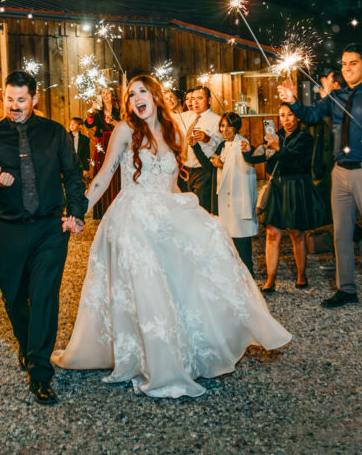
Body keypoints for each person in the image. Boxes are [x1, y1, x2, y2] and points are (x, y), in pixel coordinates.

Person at [52, 74, 292, 398]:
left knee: (183, 277)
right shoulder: (125, 130)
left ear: (154, 95)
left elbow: (172, 183)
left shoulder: (171, 131)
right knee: (147, 289)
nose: (136, 98)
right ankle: (151, 360)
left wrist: (190, 210)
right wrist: (79, 211)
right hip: (133, 217)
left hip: (164, 216)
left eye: (141, 92)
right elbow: (104, 175)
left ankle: (183, 351)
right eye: (130, 95)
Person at [0, 71, 87, 405]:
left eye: (21, 99)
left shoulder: (54, 133)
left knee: (44, 296)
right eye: (9, 99)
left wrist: (76, 212)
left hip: (50, 228)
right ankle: (27, 343)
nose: (14, 106)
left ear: (34, 99)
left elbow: (73, 175)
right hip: (9, 228)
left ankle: (40, 371)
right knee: (12, 293)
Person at [278, 44, 362, 309]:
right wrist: (292, 100)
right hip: (340, 172)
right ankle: (346, 288)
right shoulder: (336, 96)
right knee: (341, 233)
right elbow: (312, 114)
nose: (347, 68)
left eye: (353, 63)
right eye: (344, 63)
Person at [254, 104, 330, 293]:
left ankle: (301, 274)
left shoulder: (305, 137)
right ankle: (270, 279)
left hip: (296, 186)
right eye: (282, 115)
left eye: (290, 115)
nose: (286, 119)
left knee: (296, 232)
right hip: (278, 187)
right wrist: (249, 150)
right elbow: (260, 158)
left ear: (297, 118)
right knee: (272, 233)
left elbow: (298, 160)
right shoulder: (275, 135)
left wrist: (277, 149)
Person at [208, 112, 259, 276]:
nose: (225, 129)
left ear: (236, 127)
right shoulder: (224, 145)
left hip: (238, 198)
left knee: (241, 240)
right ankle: (236, 275)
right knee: (230, 239)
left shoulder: (242, 143)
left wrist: (247, 152)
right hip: (227, 200)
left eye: (228, 125)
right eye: (222, 126)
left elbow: (247, 163)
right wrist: (220, 165)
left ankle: (248, 275)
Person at [175, 86, 222, 213]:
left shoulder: (217, 120)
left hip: (203, 170)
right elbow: (170, 118)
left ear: (210, 100)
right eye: (193, 99)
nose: (194, 102)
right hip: (186, 170)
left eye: (200, 98)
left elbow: (221, 143)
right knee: (186, 209)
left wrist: (208, 139)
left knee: (201, 209)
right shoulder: (188, 116)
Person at [86, 87, 121, 218]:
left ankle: (117, 208)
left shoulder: (119, 108)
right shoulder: (98, 111)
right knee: (102, 172)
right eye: (103, 93)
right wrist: (91, 110)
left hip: (117, 141)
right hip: (102, 145)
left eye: (108, 93)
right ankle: (103, 210)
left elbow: (127, 124)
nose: (105, 95)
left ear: (113, 94)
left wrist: (114, 122)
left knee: (116, 173)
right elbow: (88, 124)